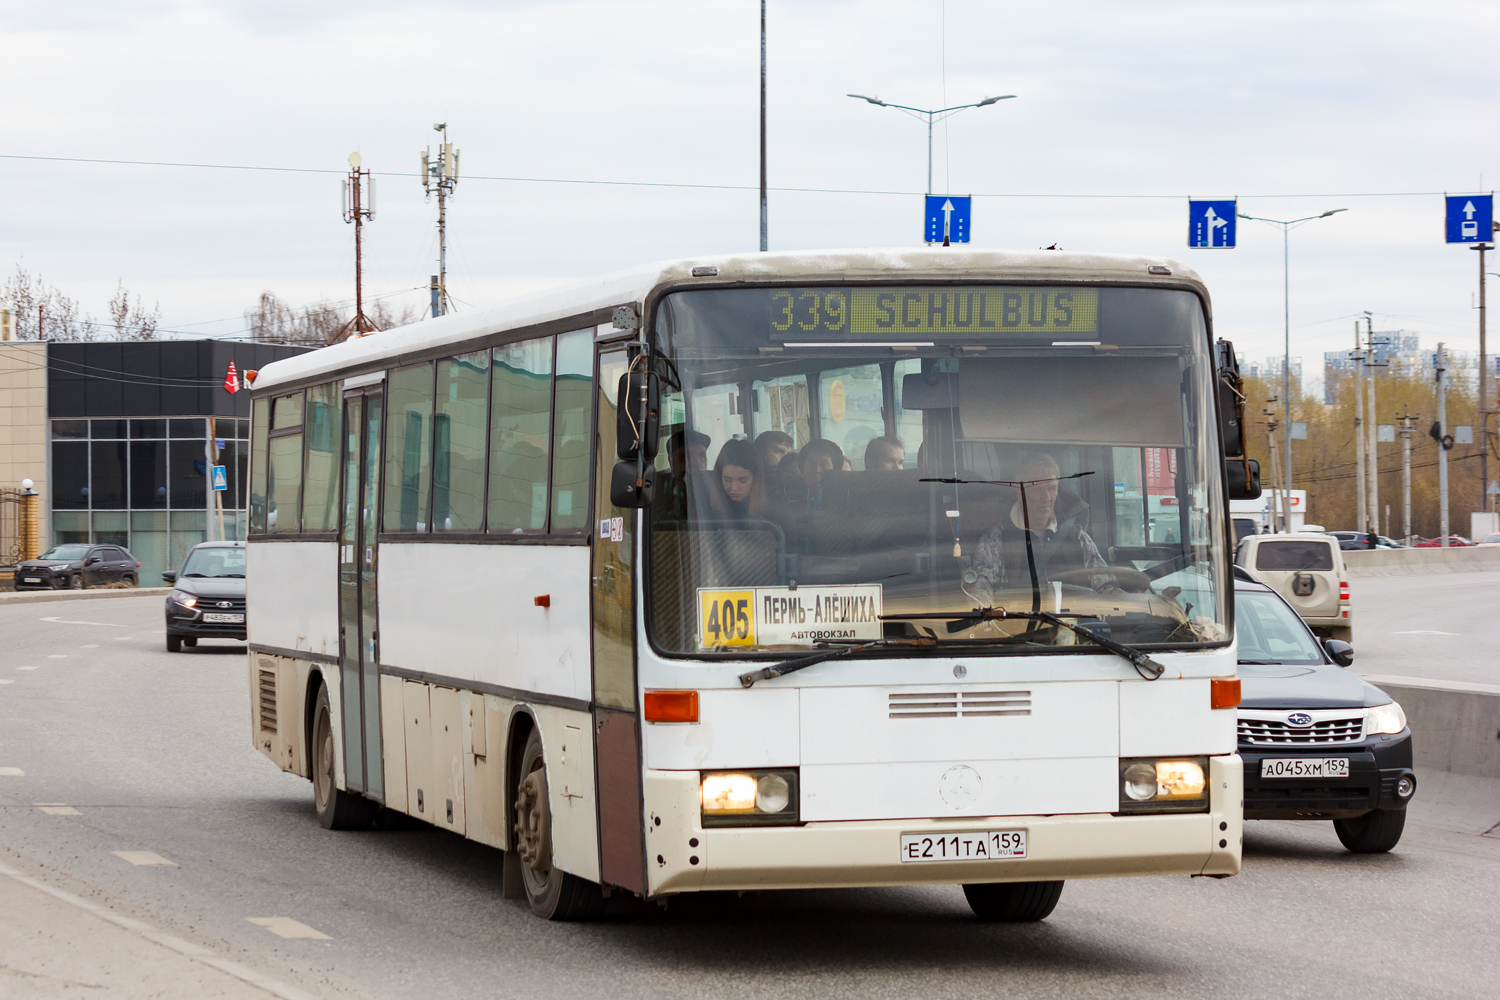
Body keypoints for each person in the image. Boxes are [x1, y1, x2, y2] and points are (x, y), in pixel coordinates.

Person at [970, 452, 1118, 602]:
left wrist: (1120, 597)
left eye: (1052, 489)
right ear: (1020, 492)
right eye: (1038, 489)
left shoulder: (1077, 537)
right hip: (1016, 624)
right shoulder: (994, 541)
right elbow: (981, 596)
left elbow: (1106, 586)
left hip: (1073, 623)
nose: (1046, 498)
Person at [712, 438, 767, 518]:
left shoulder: (771, 511)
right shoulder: (707, 509)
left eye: (743, 481)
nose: (734, 488)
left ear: (755, 480)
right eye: (727, 480)